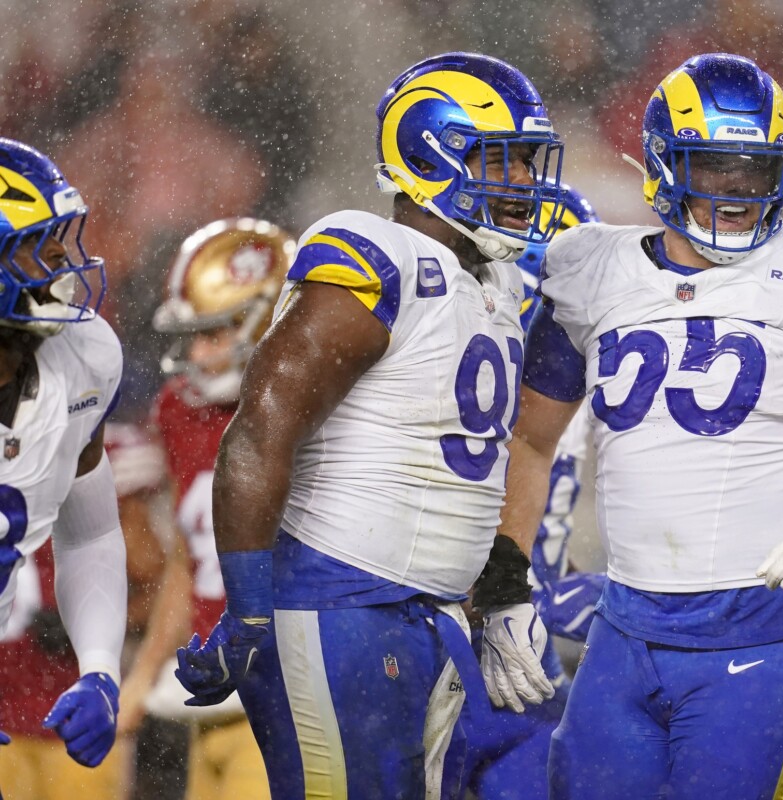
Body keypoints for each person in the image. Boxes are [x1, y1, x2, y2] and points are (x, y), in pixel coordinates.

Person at [500, 53, 783, 799]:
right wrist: (504, 580)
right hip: (627, 626)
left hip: (763, 628)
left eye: (756, 170)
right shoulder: (592, 270)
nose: (739, 191)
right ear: (662, 163)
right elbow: (529, 438)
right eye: (714, 167)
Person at [173, 53, 566, 798]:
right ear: (428, 156)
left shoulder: (496, 279)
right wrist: (249, 611)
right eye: (500, 159)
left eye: (526, 160)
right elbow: (261, 430)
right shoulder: (376, 253)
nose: (522, 181)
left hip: (431, 614)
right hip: (338, 605)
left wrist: (498, 592)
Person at [119, 218, 293, 800]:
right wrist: (141, 678)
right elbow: (187, 563)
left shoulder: (310, 415)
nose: (196, 352)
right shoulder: (182, 412)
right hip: (211, 700)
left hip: (287, 701)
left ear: (268, 321)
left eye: (214, 332)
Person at [447, 183, 605, 800]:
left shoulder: (567, 388)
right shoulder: (450, 375)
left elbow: (540, 529)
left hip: (522, 662)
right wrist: (535, 597)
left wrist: (564, 584)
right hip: (449, 651)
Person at [0, 139, 125, 776]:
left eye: (59, 237)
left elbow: (91, 534)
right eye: (37, 241)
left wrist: (100, 670)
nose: (61, 258)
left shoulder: (84, 359)